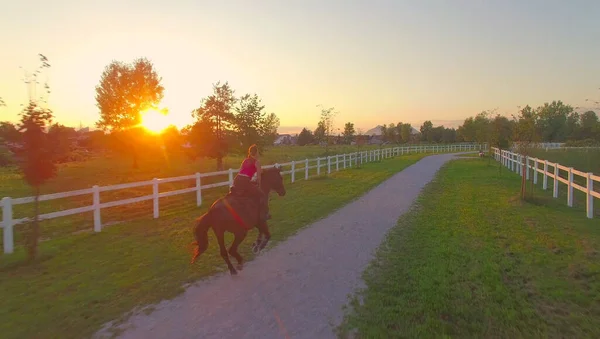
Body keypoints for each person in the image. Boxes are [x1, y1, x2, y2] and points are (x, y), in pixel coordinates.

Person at [232, 144, 270, 222]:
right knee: (261, 195)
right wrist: (259, 186)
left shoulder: (245, 160)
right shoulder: (256, 162)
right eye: (258, 152)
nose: (258, 154)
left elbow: (241, 171)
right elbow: (259, 176)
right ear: (256, 153)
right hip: (245, 181)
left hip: (237, 180)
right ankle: (264, 214)